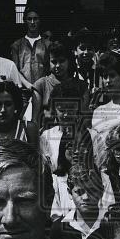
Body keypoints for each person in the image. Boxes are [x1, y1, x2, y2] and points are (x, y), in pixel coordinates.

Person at [39, 80, 106, 217]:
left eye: (70, 108)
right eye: (61, 109)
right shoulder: (47, 137)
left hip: (86, 196)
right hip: (58, 197)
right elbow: (45, 172)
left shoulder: (93, 136)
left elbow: (102, 170)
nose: (66, 115)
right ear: (54, 109)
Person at [48, 161, 107, 239]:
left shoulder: (110, 224)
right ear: (69, 193)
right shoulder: (58, 229)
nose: (86, 197)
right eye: (79, 192)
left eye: (92, 190)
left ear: (101, 191)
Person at [30, 41, 84, 128]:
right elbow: (35, 120)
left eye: (62, 61)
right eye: (54, 62)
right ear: (48, 62)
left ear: (69, 61)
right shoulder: (41, 85)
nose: (58, 65)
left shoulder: (81, 86)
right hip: (46, 133)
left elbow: (84, 118)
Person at [0, 81, 39, 148]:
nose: (3, 110)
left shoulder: (28, 129)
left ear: (16, 105)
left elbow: (35, 154)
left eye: (8, 104)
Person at [10, 7, 50, 85]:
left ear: (40, 21)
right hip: (23, 88)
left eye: (35, 19)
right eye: (29, 19)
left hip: (43, 88)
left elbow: (49, 69)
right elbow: (14, 70)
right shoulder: (17, 45)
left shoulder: (47, 44)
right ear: (25, 21)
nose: (32, 22)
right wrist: (27, 85)